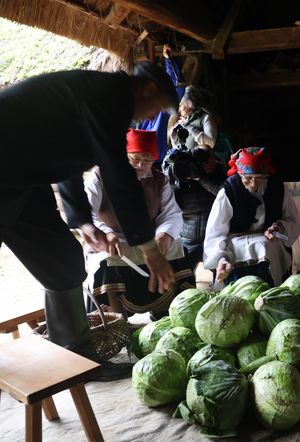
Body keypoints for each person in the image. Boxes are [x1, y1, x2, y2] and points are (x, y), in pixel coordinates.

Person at [0, 61, 178, 381]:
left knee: (64, 259)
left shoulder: (102, 102)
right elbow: (117, 174)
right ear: (146, 89)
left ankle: (76, 355)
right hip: (8, 167)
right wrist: (149, 249)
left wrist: (83, 222)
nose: (154, 117)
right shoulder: (107, 94)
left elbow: (66, 158)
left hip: (23, 179)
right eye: (158, 107)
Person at [83, 129, 195, 318]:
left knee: (175, 248)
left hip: (145, 238)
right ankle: (117, 319)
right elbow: (87, 214)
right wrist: (106, 233)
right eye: (134, 159)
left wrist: (164, 235)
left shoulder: (160, 180)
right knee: (106, 260)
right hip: (109, 238)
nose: (140, 165)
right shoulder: (100, 176)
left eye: (147, 160)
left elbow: (171, 214)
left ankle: (165, 312)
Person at [203, 148, 300, 286]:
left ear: (267, 175)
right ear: (240, 174)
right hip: (234, 241)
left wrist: (279, 227)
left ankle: (273, 293)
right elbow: (215, 232)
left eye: (259, 178)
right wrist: (221, 258)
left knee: (266, 247)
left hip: (268, 241)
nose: (253, 184)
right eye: (248, 178)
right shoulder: (229, 191)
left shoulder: (278, 188)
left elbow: (292, 220)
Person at [163, 85, 226, 274]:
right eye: (181, 106)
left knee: (220, 275)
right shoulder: (176, 124)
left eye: (186, 105)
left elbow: (210, 143)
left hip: (212, 233)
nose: (183, 109)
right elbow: (174, 154)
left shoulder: (205, 118)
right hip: (186, 233)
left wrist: (202, 176)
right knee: (181, 275)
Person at [135, 44, 186, 162]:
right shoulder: (134, 110)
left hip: (160, 159)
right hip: (141, 160)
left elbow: (177, 86)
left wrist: (169, 60)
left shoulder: (162, 108)